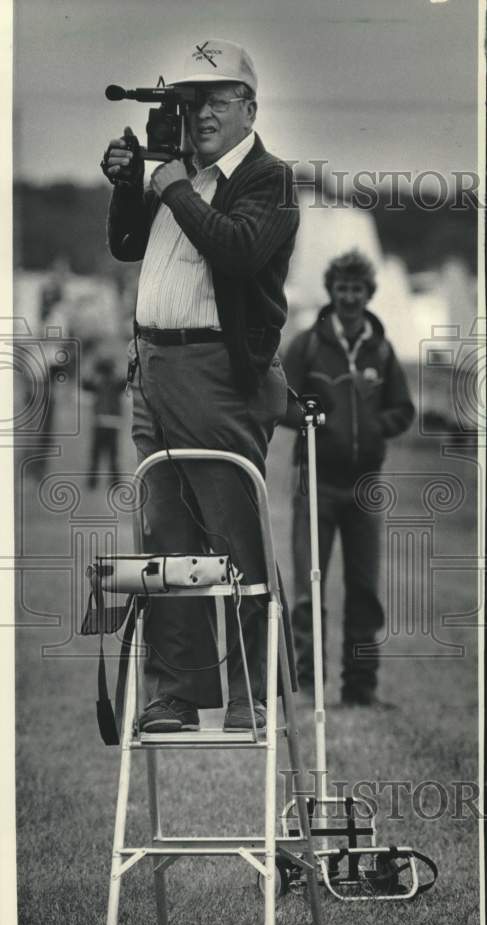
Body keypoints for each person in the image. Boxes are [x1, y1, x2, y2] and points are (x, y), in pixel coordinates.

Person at [101, 39, 299, 733]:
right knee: (167, 544)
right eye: (191, 101)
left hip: (215, 371)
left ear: (248, 107)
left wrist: (172, 186)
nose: (200, 113)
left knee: (234, 538)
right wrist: (131, 185)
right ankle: (177, 694)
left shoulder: (265, 177)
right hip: (151, 367)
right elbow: (128, 246)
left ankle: (254, 693)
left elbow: (238, 250)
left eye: (215, 100)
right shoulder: (178, 176)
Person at [282, 250, 414, 706]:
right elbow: (279, 400)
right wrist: (317, 417)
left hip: (365, 488)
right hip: (314, 481)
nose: (350, 298)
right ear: (332, 292)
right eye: (342, 289)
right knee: (308, 587)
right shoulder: (308, 345)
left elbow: (404, 410)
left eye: (358, 290)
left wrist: (377, 426)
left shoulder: (381, 348)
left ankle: (360, 688)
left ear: (369, 293)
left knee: (364, 590)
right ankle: (309, 687)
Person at [82, 355, 126, 490]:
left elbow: (84, 383)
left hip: (100, 422)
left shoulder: (97, 383)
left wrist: (92, 370)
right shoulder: (116, 382)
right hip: (113, 423)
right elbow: (126, 380)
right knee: (113, 454)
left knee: (96, 454)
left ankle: (92, 482)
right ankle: (115, 481)